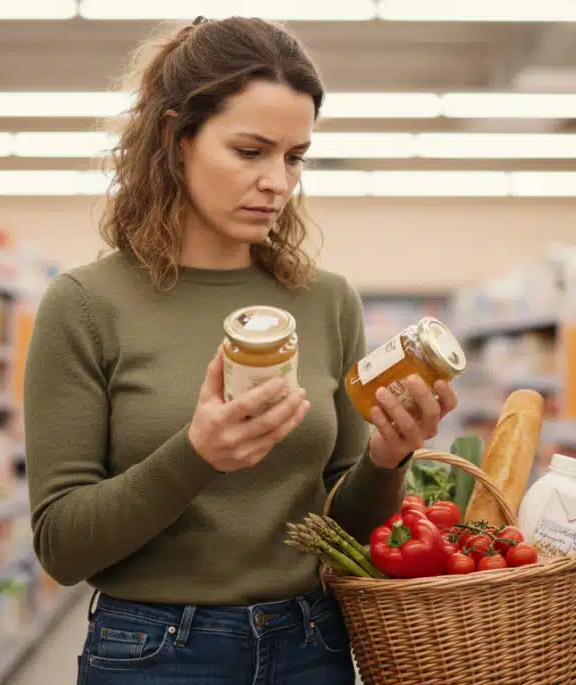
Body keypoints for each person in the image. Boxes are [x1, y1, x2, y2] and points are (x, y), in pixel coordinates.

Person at [23, 16, 459, 685]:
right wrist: (196, 456)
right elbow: (61, 545)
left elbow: (341, 531)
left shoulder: (327, 300)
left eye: (294, 157)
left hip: (310, 642)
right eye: (250, 151)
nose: (277, 182)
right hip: (153, 653)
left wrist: (384, 459)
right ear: (176, 139)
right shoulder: (86, 304)